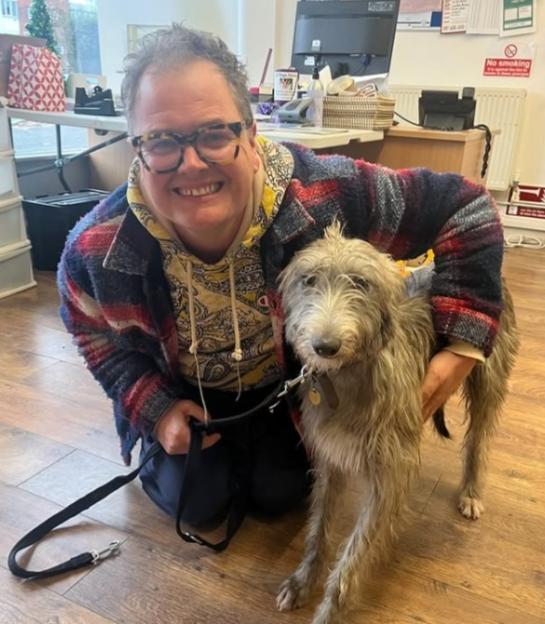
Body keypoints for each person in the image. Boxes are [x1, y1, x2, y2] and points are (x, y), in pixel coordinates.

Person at [57, 24, 503, 535]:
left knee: (280, 494)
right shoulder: (96, 249)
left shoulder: (326, 191)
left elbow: (466, 208)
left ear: (250, 135)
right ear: (137, 148)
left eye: (213, 133)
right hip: (189, 397)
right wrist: (153, 408)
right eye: (161, 142)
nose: (191, 163)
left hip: (289, 389)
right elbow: (92, 334)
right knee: (196, 503)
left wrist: (464, 347)